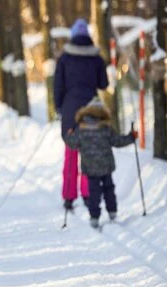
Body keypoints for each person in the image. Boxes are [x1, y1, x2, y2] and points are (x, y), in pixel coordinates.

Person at [54, 18, 109, 211]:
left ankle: (69, 197)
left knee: (71, 153)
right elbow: (104, 84)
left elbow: (58, 86)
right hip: (91, 109)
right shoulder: (96, 57)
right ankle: (88, 195)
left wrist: (59, 107)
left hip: (70, 109)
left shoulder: (64, 58)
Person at [62, 97, 136, 228]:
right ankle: (112, 211)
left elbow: (72, 144)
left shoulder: (81, 129)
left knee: (93, 191)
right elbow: (117, 141)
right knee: (109, 188)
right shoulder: (106, 128)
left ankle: (94, 216)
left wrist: (68, 135)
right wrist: (131, 137)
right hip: (106, 165)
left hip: (90, 167)